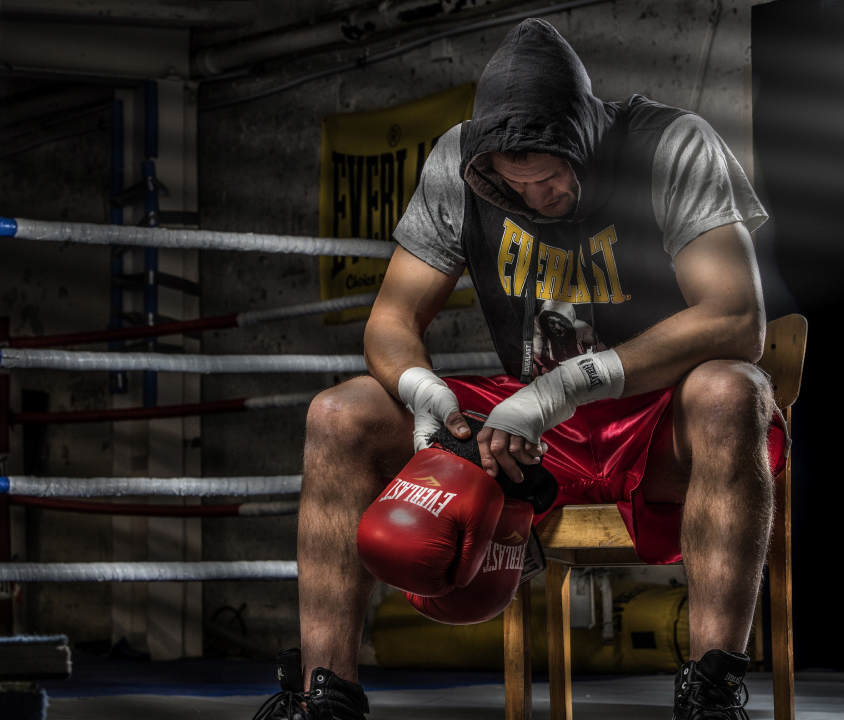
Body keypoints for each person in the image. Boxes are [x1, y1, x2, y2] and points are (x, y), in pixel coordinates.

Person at [254, 18, 785, 720]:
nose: (538, 199)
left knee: (731, 389)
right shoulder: (459, 163)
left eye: (552, 178)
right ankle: (326, 697)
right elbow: (389, 321)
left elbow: (736, 319)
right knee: (339, 414)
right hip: (529, 430)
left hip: (656, 417)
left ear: (584, 138)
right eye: (518, 185)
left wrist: (566, 385)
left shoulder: (670, 144)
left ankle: (710, 693)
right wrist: (422, 395)